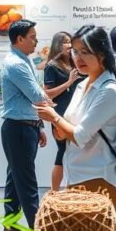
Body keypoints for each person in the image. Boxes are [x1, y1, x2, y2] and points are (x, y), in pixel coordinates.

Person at [37, 26, 116, 209]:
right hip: (75, 175)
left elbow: (79, 136)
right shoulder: (81, 85)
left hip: (98, 177)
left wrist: (54, 118)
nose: (78, 58)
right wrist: (60, 129)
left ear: (102, 53)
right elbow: (67, 129)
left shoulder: (109, 90)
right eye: (75, 52)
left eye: (85, 52)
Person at [0, 19, 50, 231]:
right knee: (27, 180)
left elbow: (35, 96)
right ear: (19, 39)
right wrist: (53, 96)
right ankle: (38, 229)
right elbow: (37, 95)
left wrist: (39, 125)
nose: (36, 41)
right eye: (32, 37)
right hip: (18, 129)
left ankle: (10, 225)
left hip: (25, 126)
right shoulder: (16, 64)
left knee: (16, 177)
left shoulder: (23, 60)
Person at [42, 31, 83, 192]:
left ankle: (72, 189)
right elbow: (47, 94)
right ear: (57, 45)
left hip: (76, 114)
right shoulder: (52, 66)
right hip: (59, 115)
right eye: (65, 42)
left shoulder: (75, 63)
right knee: (62, 151)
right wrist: (69, 82)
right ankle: (54, 191)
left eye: (70, 42)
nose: (69, 45)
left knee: (76, 152)